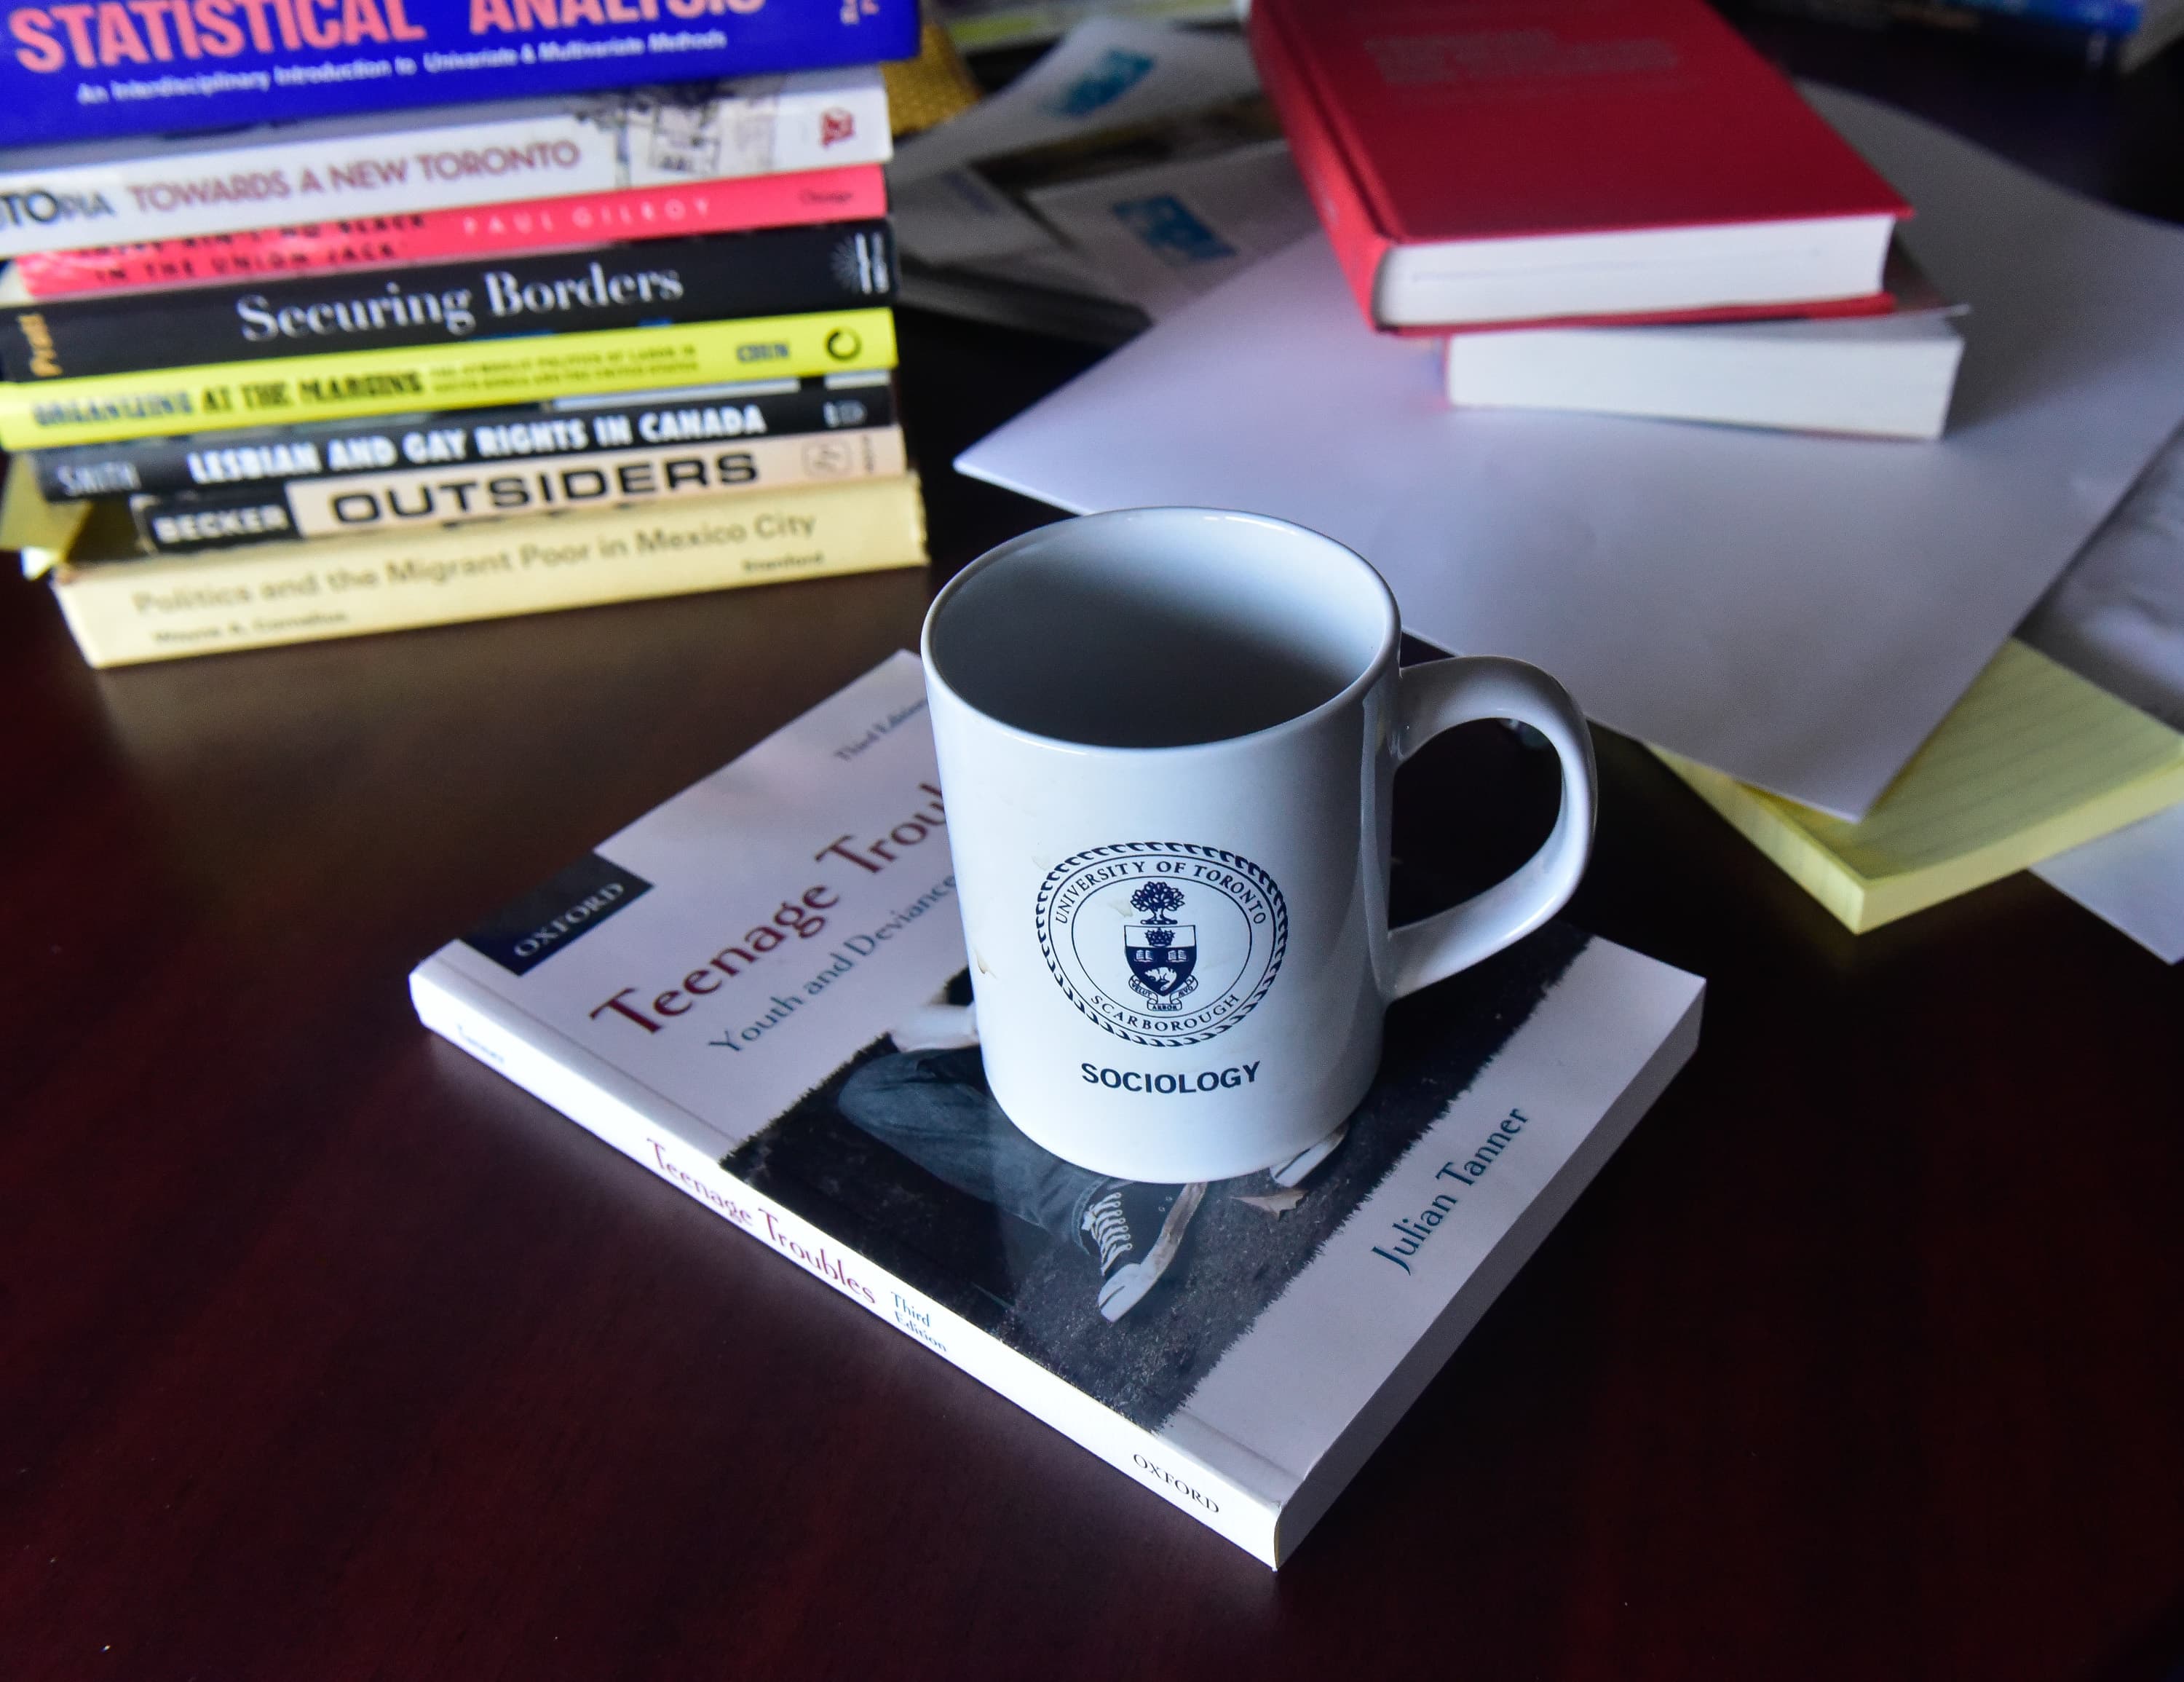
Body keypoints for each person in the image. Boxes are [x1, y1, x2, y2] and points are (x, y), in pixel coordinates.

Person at [835, 1003, 1347, 1322]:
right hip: (1019, 1035)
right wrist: (994, 1014)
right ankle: (1111, 1199)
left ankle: (1267, 1112)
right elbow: (910, 1029)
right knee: (871, 1091)